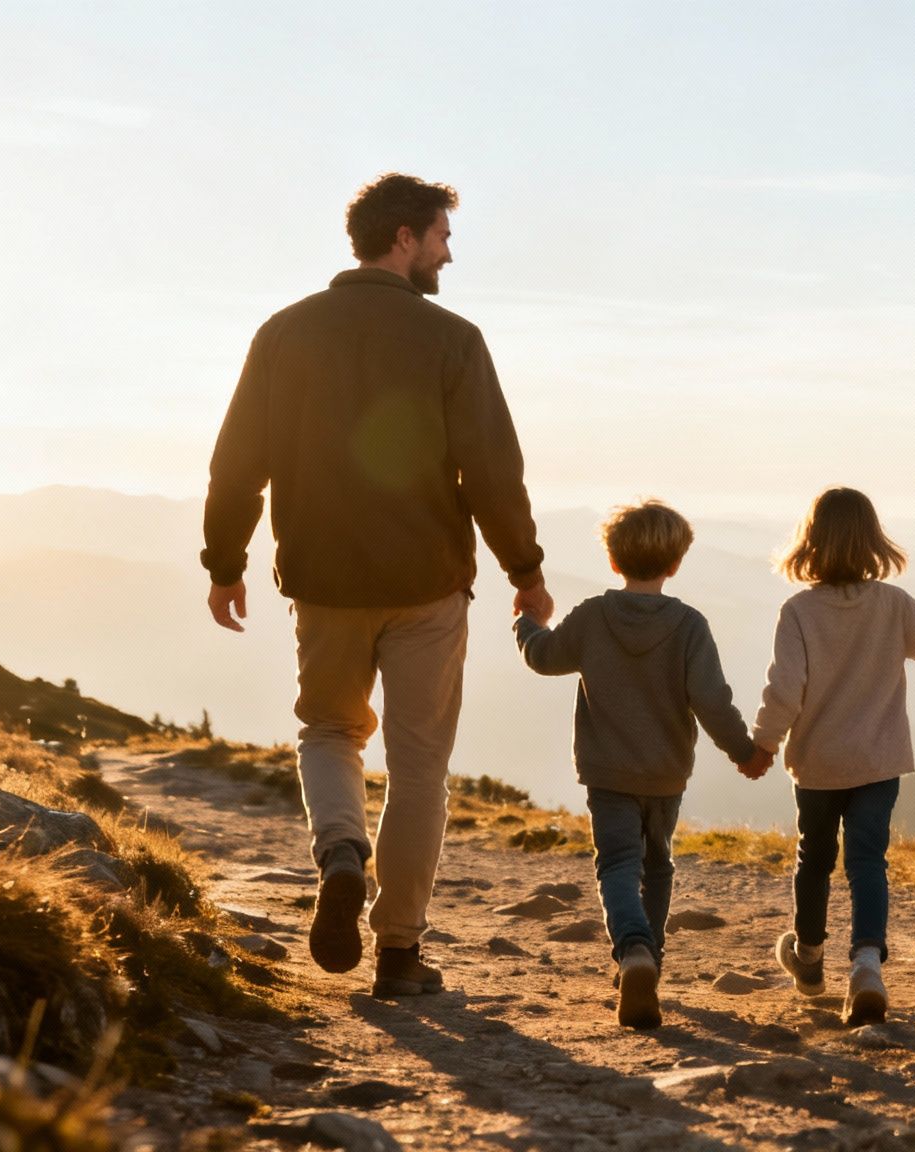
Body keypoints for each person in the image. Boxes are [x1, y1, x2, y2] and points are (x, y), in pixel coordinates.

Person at [201, 173, 550, 997]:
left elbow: (235, 465)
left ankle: (341, 854)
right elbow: (493, 472)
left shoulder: (283, 335)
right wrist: (526, 571)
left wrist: (224, 564)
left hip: (322, 579)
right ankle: (399, 953)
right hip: (427, 581)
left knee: (328, 731)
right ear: (404, 238)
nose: (447, 252)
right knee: (420, 765)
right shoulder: (452, 339)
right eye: (440, 236)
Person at [742, 487, 915, 1025]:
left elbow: (784, 690)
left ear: (810, 542)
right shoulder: (892, 605)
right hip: (879, 762)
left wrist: (763, 745)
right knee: (867, 862)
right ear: (872, 541)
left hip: (817, 766)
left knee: (813, 860)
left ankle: (810, 959)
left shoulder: (797, 611)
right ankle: (866, 963)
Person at [512, 500, 758, 1029]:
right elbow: (712, 701)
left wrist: (528, 624)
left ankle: (633, 952)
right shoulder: (690, 625)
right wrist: (744, 751)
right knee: (657, 865)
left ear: (612, 560)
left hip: (607, 772)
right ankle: (651, 959)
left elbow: (545, 657)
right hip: (666, 773)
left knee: (618, 865)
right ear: (675, 564)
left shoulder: (593, 615)